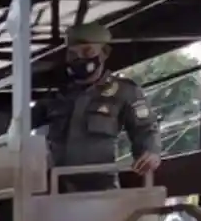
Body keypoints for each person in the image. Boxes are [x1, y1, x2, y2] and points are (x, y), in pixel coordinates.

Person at [38, 21, 160, 192]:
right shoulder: (58, 96)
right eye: (72, 54)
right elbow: (16, 123)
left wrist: (150, 151)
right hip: (56, 188)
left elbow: (145, 128)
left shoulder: (124, 91)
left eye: (87, 51)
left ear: (104, 53)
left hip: (100, 188)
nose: (79, 58)